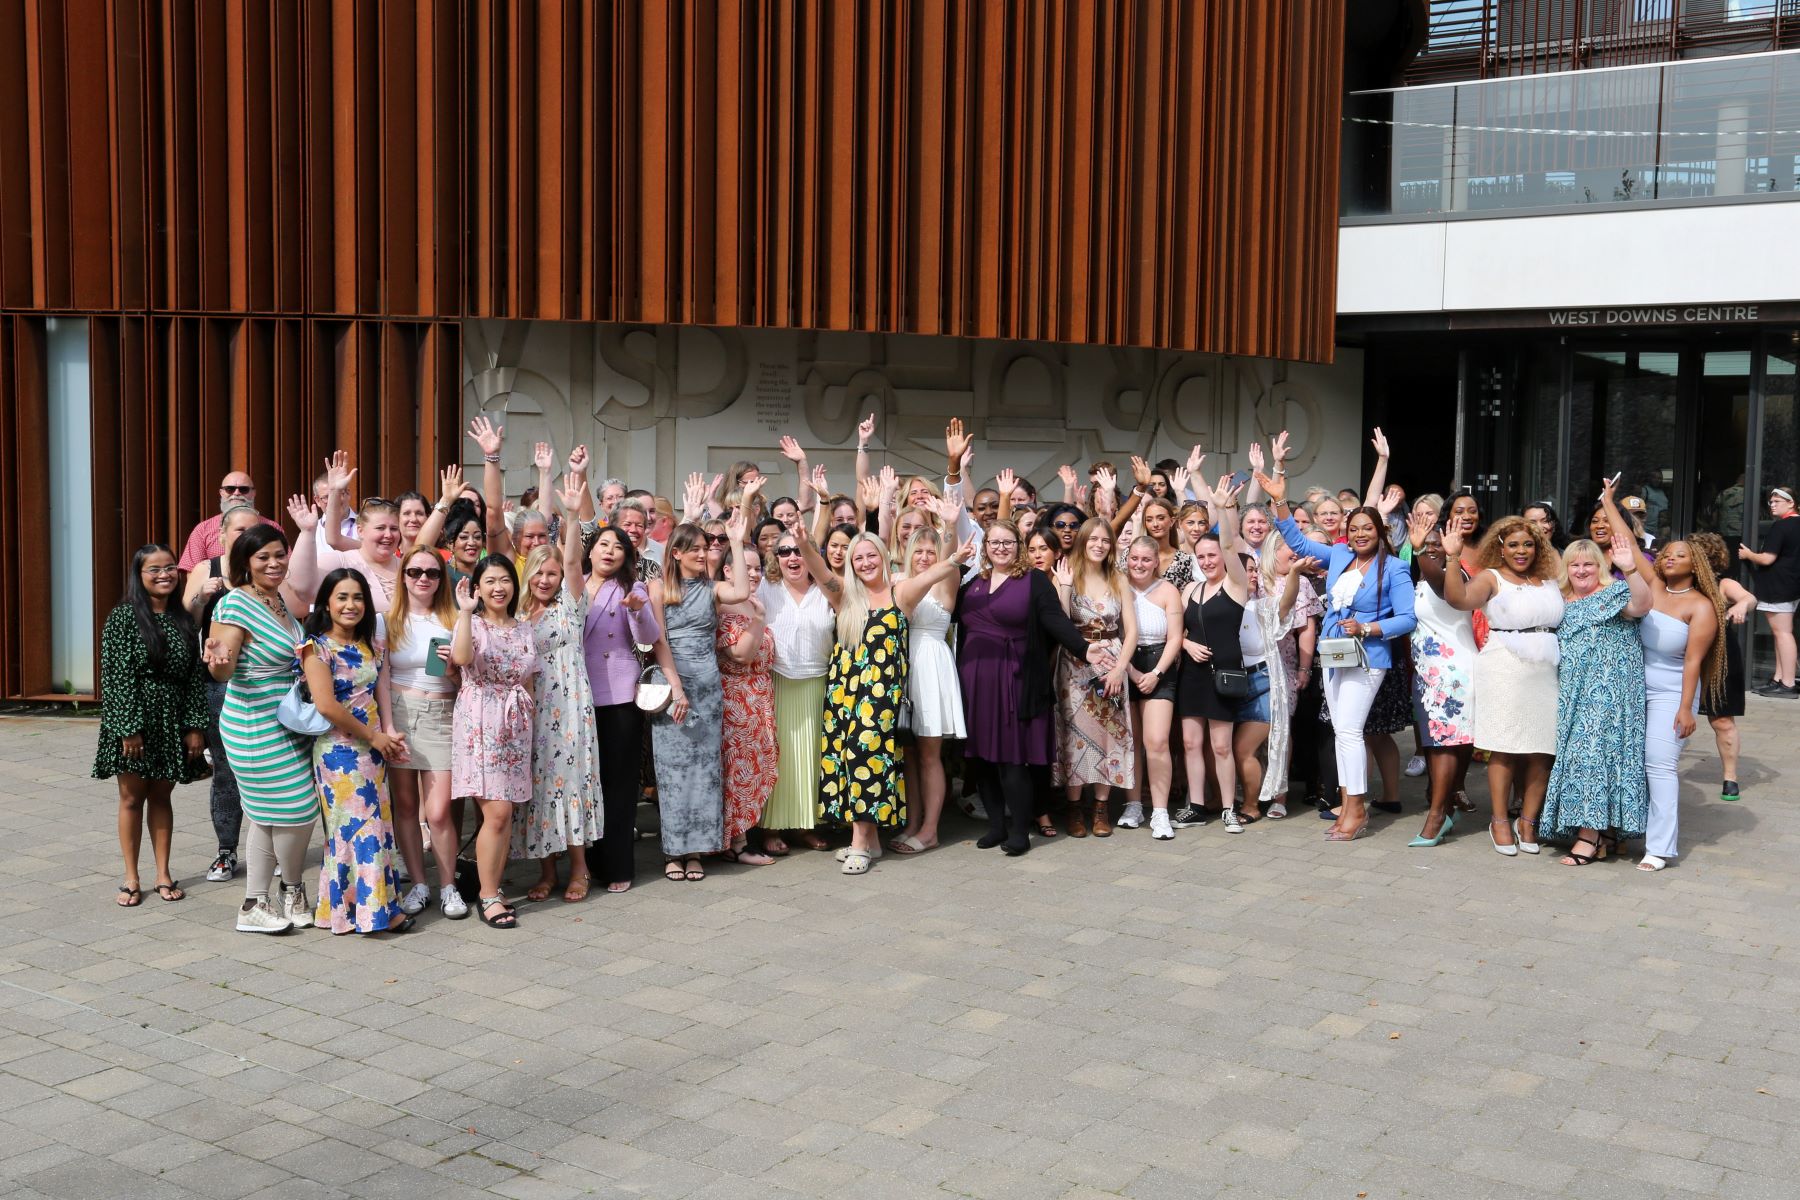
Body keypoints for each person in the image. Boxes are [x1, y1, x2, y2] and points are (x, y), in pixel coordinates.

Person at [1259, 440, 1418, 844]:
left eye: (1368, 528)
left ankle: (1356, 807)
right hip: (1333, 655)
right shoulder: (1340, 557)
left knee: (1348, 730)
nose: (1361, 533)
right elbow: (1296, 543)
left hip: (1369, 657)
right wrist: (1280, 503)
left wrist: (1369, 628)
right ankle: (1350, 805)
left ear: (1380, 532)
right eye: (1355, 529)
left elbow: (1408, 618)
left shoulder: (1395, 569)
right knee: (1345, 731)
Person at [955, 519, 1109, 856]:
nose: (1000, 548)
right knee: (981, 759)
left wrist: (1083, 648)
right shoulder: (973, 584)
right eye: (994, 542)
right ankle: (996, 826)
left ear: (1018, 546)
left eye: (1008, 542)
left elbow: (1055, 620)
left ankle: (1020, 831)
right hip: (976, 681)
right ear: (985, 547)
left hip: (1015, 680)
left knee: (1012, 759)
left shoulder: (1033, 581)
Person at [821, 531, 969, 874]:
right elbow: (822, 573)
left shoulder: (900, 591)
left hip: (882, 693)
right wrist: (802, 544)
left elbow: (935, 574)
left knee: (867, 756)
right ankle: (870, 840)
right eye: (858, 558)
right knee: (851, 759)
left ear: (885, 557)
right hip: (846, 690)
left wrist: (953, 557)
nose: (865, 563)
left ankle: (863, 842)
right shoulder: (849, 596)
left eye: (871, 555)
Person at [201, 520, 317, 934]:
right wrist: (217, 662)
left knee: (269, 816)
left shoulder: (280, 601)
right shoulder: (234, 604)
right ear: (245, 563)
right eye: (262, 557)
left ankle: (260, 904)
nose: (273, 563)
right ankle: (288, 889)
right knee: (299, 808)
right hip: (253, 723)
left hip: (289, 721)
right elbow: (224, 666)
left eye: (278, 555)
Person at [1603, 486, 1726, 871]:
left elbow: (1693, 663)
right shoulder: (1653, 586)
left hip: (1672, 690)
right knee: (1627, 761)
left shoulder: (1701, 606)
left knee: (1659, 764)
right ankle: (1621, 832)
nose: (1670, 558)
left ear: (1697, 565)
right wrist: (1608, 501)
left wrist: (1686, 708)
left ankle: (1658, 848)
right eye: (1667, 552)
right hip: (1632, 687)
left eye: (1680, 555)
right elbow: (1628, 543)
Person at [1440, 516, 1563, 856]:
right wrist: (1451, 557)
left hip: (1545, 669)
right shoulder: (1491, 577)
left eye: (1528, 544)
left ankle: (1528, 820)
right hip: (1504, 665)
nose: (1521, 551)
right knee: (1505, 746)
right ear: (1500, 547)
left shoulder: (1549, 579)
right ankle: (1499, 821)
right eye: (1513, 545)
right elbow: (1458, 599)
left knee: (1542, 749)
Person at [298, 569, 413, 934]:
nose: (351, 605)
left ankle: (352, 910)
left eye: (358, 597)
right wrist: (373, 736)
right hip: (340, 754)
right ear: (327, 604)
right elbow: (327, 706)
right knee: (357, 830)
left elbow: (378, 692)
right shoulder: (316, 648)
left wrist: (385, 736)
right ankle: (374, 911)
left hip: (372, 752)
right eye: (342, 597)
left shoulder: (368, 645)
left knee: (376, 828)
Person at [649, 496, 757, 883]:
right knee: (673, 771)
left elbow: (742, 591)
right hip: (673, 684)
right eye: (694, 548)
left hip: (709, 687)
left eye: (704, 547)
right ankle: (674, 852)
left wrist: (737, 541)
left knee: (705, 770)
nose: (702, 553)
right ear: (676, 553)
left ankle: (697, 851)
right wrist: (677, 688)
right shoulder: (658, 587)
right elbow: (659, 639)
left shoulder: (711, 588)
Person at [96, 545, 209, 906]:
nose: (165, 575)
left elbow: (194, 677)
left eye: (171, 568)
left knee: (162, 795)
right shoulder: (124, 617)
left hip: (173, 718)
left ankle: (163, 873)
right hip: (135, 719)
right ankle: (131, 877)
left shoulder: (183, 619)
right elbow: (116, 676)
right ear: (139, 575)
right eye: (155, 569)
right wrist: (128, 728)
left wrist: (194, 726)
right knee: (131, 798)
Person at [515, 478, 603, 902]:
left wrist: (569, 515)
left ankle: (580, 869)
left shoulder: (570, 603)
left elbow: (572, 562)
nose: (546, 579)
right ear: (528, 573)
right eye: (539, 572)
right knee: (539, 787)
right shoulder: (517, 611)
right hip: (531, 709)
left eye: (551, 573)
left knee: (570, 784)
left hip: (568, 706)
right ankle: (546, 870)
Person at [1538, 534, 1651, 866]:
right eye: (1574, 564)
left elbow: (1642, 605)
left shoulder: (1616, 592)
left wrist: (1630, 570)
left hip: (1611, 695)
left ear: (1600, 566)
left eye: (1589, 563)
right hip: (1573, 694)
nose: (1582, 570)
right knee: (1588, 758)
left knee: (1593, 757)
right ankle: (1608, 831)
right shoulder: (1559, 601)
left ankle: (1589, 835)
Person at [449, 555, 539, 928]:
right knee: (497, 812)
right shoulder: (474, 623)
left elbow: (530, 676)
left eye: (504, 580)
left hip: (515, 725)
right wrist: (466, 613)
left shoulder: (524, 627)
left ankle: (494, 887)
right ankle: (487, 896)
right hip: (480, 721)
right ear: (478, 588)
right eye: (490, 581)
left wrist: (528, 713)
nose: (498, 587)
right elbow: (461, 657)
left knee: (507, 813)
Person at [182, 505, 263, 881]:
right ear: (223, 535)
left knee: (268, 768)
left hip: (264, 684)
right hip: (218, 684)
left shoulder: (268, 571)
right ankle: (226, 851)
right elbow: (186, 624)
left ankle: (269, 850)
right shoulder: (207, 569)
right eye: (240, 530)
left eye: (254, 530)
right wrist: (200, 596)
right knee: (227, 772)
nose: (247, 536)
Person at [581, 526, 662, 892]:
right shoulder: (575, 584)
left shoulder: (633, 588)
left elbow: (648, 638)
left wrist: (639, 611)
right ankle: (590, 862)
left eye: (618, 547)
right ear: (591, 550)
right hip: (578, 696)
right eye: (603, 545)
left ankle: (619, 865)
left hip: (619, 695)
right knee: (590, 783)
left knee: (620, 784)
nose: (610, 552)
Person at [384, 544, 459, 917]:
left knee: (440, 811)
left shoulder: (455, 618)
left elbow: (468, 678)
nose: (424, 579)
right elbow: (381, 677)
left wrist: (453, 670)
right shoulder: (388, 619)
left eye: (432, 572)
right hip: (399, 711)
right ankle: (418, 884)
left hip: (442, 712)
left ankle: (449, 886)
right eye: (415, 572)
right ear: (404, 577)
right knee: (407, 807)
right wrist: (386, 725)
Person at [1050, 518, 1136, 836]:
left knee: (1108, 736)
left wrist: (1119, 668)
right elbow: (1059, 621)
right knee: (1072, 735)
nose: (1099, 545)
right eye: (1093, 539)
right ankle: (1074, 808)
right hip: (1074, 662)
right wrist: (1066, 586)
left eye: (1105, 540)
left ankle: (1101, 808)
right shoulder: (1066, 573)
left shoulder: (1119, 578)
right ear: (1083, 541)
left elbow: (1132, 631)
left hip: (1111, 660)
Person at [1176, 476, 1252, 832]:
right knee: (1191, 743)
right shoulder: (1190, 588)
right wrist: (1185, 643)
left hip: (1224, 673)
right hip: (1192, 673)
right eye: (1201, 556)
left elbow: (1230, 545)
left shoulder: (1236, 585)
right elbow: (1173, 631)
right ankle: (1194, 804)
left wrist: (1220, 508)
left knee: (1221, 746)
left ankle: (1226, 808)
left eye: (1213, 555)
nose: (1208, 561)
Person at [891, 515, 969, 855]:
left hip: (932, 664)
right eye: (918, 550)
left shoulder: (947, 575)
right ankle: (912, 822)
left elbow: (948, 556)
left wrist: (949, 529)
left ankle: (930, 830)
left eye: (930, 550)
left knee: (929, 753)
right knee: (908, 752)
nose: (924, 556)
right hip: (903, 665)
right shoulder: (898, 578)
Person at [1404, 514, 1478, 847]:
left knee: (1446, 744)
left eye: (1439, 543)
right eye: (1427, 543)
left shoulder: (1454, 575)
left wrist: (1421, 549)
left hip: (1454, 673)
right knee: (1437, 745)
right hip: (1428, 674)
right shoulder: (1420, 579)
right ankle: (1445, 805)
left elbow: (1441, 587)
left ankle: (1436, 816)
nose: (1433, 548)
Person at [715, 541, 777, 867]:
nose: (752, 574)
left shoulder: (754, 604)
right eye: (746, 567)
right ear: (728, 570)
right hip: (735, 700)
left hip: (759, 697)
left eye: (757, 568)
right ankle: (736, 842)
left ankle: (741, 837)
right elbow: (741, 654)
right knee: (737, 771)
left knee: (753, 769)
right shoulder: (727, 609)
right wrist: (759, 619)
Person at [1118, 536, 1183, 837]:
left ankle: (1159, 812)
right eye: (1134, 558)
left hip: (1160, 664)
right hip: (1124, 663)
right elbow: (1114, 631)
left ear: (1157, 561)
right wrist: (1129, 671)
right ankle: (1133, 805)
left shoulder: (1168, 590)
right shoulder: (1118, 586)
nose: (1139, 564)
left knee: (1156, 741)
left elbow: (1175, 638)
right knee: (1130, 740)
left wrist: (1156, 672)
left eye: (1146, 559)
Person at [1689, 532, 1756, 799]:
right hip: (1681, 658)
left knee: (1722, 720)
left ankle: (1730, 778)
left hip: (1719, 658)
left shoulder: (1723, 583)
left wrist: (1741, 606)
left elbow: (1749, 597)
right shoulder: (1674, 585)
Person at [1739, 484, 1800, 697]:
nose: (1772, 506)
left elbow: (1767, 558)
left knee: (1783, 633)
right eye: (1770, 502)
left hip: (1778, 585)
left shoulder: (1781, 527)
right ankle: (1779, 678)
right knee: (1779, 633)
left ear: (1791, 503)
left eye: (1777, 502)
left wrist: (1748, 555)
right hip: (1791, 585)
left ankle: (1788, 684)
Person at [176, 471, 278, 570]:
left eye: (243, 489)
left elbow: (285, 564)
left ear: (253, 493)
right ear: (221, 493)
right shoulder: (203, 529)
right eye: (230, 489)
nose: (237, 493)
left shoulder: (272, 527)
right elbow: (192, 572)